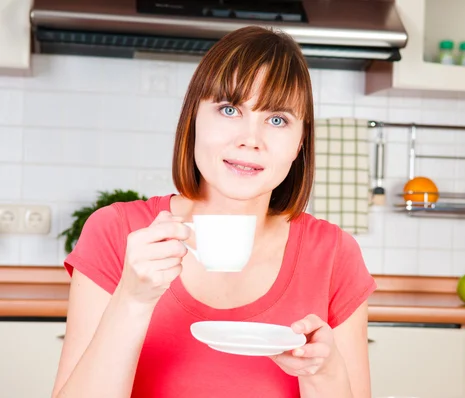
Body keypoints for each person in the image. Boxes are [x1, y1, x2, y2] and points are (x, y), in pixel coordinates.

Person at [52, 25, 376, 398]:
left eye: (277, 120)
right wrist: (133, 299)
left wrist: (323, 370)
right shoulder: (116, 232)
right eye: (229, 109)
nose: (250, 139)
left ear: (300, 141)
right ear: (193, 119)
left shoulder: (335, 255)